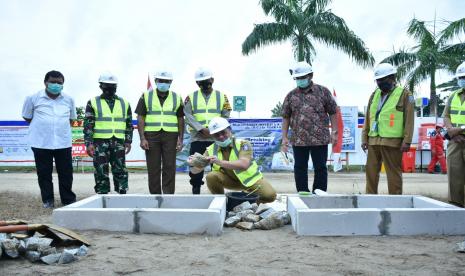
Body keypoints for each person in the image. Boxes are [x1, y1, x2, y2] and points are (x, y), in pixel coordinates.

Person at [187, 117, 277, 203]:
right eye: (217, 135)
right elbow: (195, 172)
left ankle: (248, 202)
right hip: (230, 181)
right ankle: (221, 202)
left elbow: (244, 165)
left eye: (223, 132)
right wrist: (195, 163)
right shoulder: (210, 149)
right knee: (211, 176)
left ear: (230, 130)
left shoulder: (243, 144)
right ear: (212, 136)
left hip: (250, 180)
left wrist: (219, 162)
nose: (221, 137)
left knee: (270, 195)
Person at [22, 70, 77, 208]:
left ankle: (68, 199)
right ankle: (48, 200)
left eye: (59, 83)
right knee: (44, 173)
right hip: (41, 142)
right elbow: (27, 117)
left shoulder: (69, 99)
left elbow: (71, 119)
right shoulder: (33, 98)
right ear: (45, 82)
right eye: (53, 82)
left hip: (63, 142)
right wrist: (43, 127)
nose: (56, 85)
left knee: (66, 173)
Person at [281, 61, 338, 193]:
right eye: (297, 78)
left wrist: (334, 132)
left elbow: (333, 111)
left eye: (302, 77)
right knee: (300, 167)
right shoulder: (291, 95)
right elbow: (286, 117)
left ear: (311, 75)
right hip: (299, 139)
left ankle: (319, 193)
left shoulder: (323, 92)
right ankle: (303, 193)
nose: (300, 80)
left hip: (320, 139)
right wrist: (284, 137)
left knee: (320, 168)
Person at [362, 63, 415, 195]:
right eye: (378, 80)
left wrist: (407, 140)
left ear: (392, 78)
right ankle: (370, 199)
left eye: (383, 80)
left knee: (393, 173)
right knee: (371, 172)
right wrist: (364, 137)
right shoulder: (374, 95)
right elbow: (368, 117)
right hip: (374, 140)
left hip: (392, 141)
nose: (380, 83)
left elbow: (409, 119)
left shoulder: (404, 94)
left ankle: (396, 201)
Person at [184, 67, 232, 194]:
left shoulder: (222, 96)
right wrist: (200, 129)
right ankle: (196, 189)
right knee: (196, 163)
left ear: (212, 80)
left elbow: (226, 115)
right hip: (197, 137)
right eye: (202, 82)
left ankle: (217, 192)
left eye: (207, 81)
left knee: (216, 165)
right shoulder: (191, 97)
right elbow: (188, 115)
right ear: (197, 83)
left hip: (216, 138)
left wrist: (213, 130)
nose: (205, 84)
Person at [84, 72, 133, 194]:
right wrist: (89, 143)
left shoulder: (124, 103)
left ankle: (121, 192)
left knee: (120, 168)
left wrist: (128, 141)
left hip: (119, 141)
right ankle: (102, 193)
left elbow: (128, 124)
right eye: (107, 85)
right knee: (101, 169)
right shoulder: (93, 102)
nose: (110, 88)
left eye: (113, 85)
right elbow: (88, 124)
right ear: (101, 86)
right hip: (99, 142)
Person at [135, 70, 184, 194]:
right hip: (151, 136)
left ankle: (168, 196)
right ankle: (155, 196)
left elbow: (180, 118)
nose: (163, 83)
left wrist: (181, 139)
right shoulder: (146, 96)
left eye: (166, 81)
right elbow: (140, 117)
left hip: (170, 136)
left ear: (171, 82)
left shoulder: (177, 97)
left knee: (169, 166)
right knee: (153, 167)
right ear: (156, 81)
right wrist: (142, 138)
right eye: (161, 81)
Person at [443, 61, 465, 207]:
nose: (462, 80)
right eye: (460, 77)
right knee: (454, 175)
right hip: (455, 141)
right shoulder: (453, 95)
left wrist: (459, 129)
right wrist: (452, 131)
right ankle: (455, 206)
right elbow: (446, 116)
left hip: (459, 135)